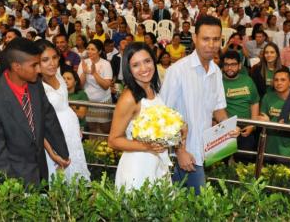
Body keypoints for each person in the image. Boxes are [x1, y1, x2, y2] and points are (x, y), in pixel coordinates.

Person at [160, 16, 240, 195]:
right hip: (179, 155)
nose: (211, 44)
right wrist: (180, 150)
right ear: (195, 39)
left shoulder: (216, 72)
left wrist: (228, 127)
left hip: (202, 152)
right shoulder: (178, 71)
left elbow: (218, 108)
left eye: (216, 39)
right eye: (205, 39)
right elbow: (165, 115)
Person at [0, 38, 70, 185]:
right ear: (16, 66)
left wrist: (62, 152)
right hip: (15, 178)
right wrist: (12, 186)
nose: (39, 69)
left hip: (41, 171)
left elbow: (48, 117)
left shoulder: (35, 85)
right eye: (34, 65)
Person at [108, 42, 173, 190]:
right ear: (128, 69)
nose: (144, 68)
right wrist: (146, 146)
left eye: (147, 61)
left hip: (157, 163)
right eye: (136, 65)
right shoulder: (129, 98)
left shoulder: (152, 87)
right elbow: (113, 140)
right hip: (137, 167)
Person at [35, 40, 90, 182]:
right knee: (57, 180)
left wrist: (76, 127)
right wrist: (52, 153)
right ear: (37, 63)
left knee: (76, 177)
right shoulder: (35, 86)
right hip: (53, 136)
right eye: (45, 60)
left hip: (71, 132)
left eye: (54, 57)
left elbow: (65, 105)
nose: (52, 63)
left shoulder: (59, 74)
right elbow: (38, 124)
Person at [258, 67, 290, 160]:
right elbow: (262, 120)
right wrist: (275, 124)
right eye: (276, 80)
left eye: (283, 80)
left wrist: (277, 125)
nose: (279, 83)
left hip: (288, 150)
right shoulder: (267, 97)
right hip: (269, 147)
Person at [222, 51, 260, 162]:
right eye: (226, 64)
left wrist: (252, 125)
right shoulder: (217, 81)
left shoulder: (248, 80)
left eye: (233, 64)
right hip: (225, 129)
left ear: (239, 66)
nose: (229, 68)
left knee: (244, 163)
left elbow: (255, 102)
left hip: (245, 129)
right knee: (220, 164)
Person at [77, 39, 113, 135]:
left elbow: (106, 86)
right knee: (91, 130)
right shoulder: (84, 63)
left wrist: (94, 73)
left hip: (103, 102)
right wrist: (84, 72)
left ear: (100, 51)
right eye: (88, 49)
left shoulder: (106, 64)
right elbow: (80, 85)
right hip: (88, 102)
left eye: (93, 49)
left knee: (105, 130)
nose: (89, 51)